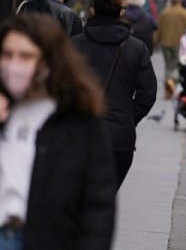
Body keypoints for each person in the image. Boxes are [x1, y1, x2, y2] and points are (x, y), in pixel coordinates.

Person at [0, 15, 116, 250]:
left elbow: (97, 206)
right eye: (7, 55)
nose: (14, 65)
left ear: (48, 61)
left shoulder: (77, 122)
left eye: (26, 56)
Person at [72, 0, 157, 189]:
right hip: (119, 137)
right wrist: (128, 116)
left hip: (79, 134)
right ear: (121, 12)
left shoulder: (74, 44)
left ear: (93, 10)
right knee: (104, 200)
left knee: (76, 199)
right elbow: (148, 94)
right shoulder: (136, 48)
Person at [156, 0, 186, 98]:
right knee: (176, 65)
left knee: (168, 65)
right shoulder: (184, 13)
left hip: (165, 43)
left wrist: (155, 42)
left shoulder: (164, 13)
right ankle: (172, 82)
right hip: (179, 43)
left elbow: (159, 29)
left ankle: (168, 88)